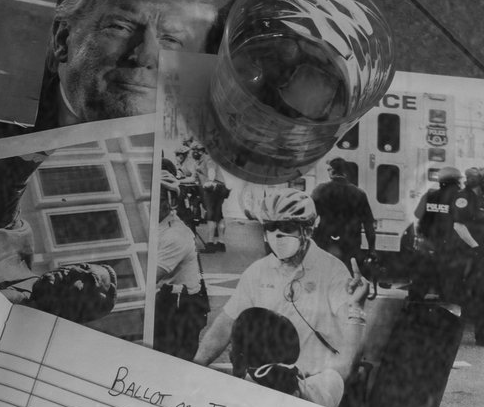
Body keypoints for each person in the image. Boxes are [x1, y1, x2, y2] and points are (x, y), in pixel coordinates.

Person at [0, 0, 233, 264]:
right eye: (120, 27)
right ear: (62, 39)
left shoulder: (187, 142)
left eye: (171, 39)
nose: (145, 56)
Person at [192, 189, 368, 381]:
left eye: (286, 227)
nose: (277, 234)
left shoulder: (332, 271)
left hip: (313, 383)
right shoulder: (258, 271)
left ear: (307, 231)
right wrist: (196, 365)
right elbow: (225, 325)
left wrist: (356, 308)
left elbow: (349, 334)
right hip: (267, 380)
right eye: (271, 226)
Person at [411, 166, 484, 347]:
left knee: (474, 293)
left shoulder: (472, 199)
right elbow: (459, 226)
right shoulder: (463, 198)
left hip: (458, 252)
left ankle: (479, 334)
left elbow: (420, 218)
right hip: (462, 253)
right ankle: (477, 335)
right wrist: (477, 247)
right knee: (468, 294)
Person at [154, 162, 207, 360]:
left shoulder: (175, 235)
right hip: (169, 303)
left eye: (158, 198)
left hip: (181, 311)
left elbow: (146, 279)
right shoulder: (157, 226)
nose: (151, 204)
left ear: (172, 201)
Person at [311, 156, 375, 272]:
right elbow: (368, 225)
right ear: (345, 172)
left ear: (332, 171)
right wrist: (372, 249)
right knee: (347, 274)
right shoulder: (359, 194)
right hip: (350, 244)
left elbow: (309, 216)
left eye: (328, 169)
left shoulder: (320, 190)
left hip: (325, 242)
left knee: (323, 274)